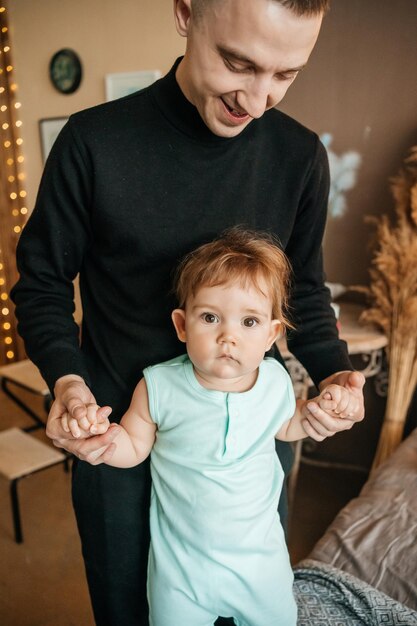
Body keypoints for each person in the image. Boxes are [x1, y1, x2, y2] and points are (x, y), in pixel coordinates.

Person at [11, 0, 365, 624]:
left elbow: (304, 290)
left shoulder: (299, 156)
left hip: (248, 453)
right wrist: (68, 382)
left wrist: (336, 373)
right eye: (237, 63)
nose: (256, 101)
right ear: (185, 12)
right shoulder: (93, 143)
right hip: (120, 438)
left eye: (286, 76)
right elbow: (40, 284)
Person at [61, 229, 358, 626]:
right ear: (182, 326)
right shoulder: (157, 386)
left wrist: (325, 406)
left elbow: (288, 423)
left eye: (249, 321)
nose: (228, 336)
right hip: (181, 573)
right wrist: (104, 439)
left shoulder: (274, 381)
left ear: (271, 334)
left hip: (260, 566)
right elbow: (134, 445)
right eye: (210, 317)